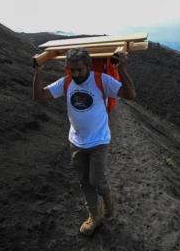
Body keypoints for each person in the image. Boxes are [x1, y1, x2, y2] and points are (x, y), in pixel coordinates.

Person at [32, 48, 136, 235]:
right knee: (84, 182)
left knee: (96, 180)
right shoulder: (67, 82)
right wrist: (38, 71)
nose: (75, 74)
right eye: (71, 70)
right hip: (76, 142)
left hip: (99, 141)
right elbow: (39, 96)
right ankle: (94, 216)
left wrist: (123, 68)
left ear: (88, 66)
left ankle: (107, 198)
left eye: (79, 69)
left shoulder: (100, 80)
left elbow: (130, 94)